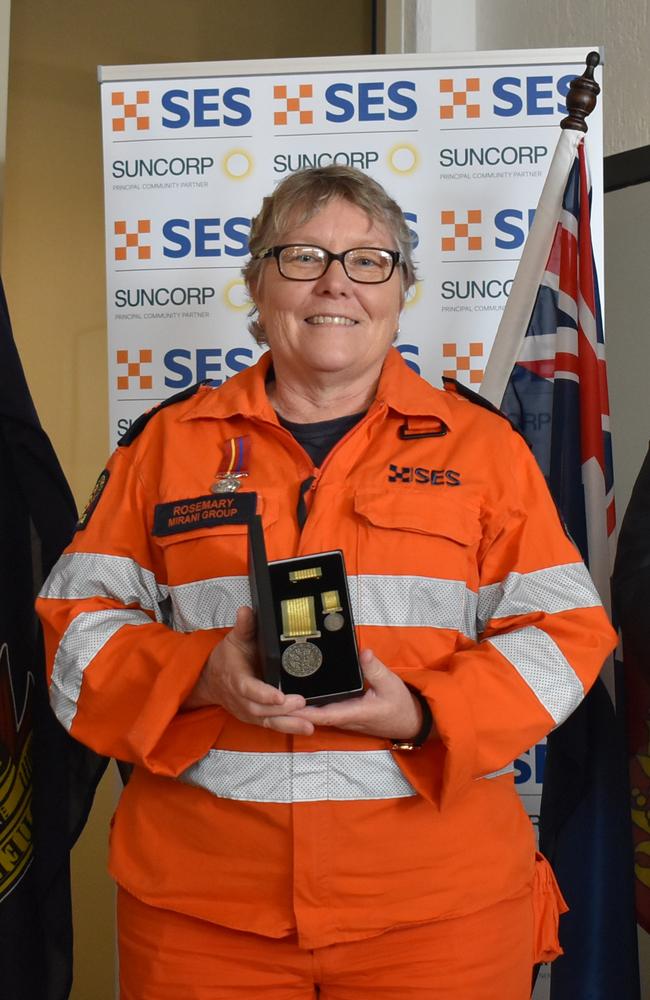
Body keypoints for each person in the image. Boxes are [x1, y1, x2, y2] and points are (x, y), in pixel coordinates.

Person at [37, 165, 616, 1000]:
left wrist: (424, 712)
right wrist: (200, 674)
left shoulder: (483, 450)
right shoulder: (164, 447)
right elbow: (73, 632)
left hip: (436, 913)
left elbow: (566, 634)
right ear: (256, 284)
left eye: (369, 261)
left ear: (401, 290)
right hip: (203, 915)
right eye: (301, 257)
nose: (336, 282)